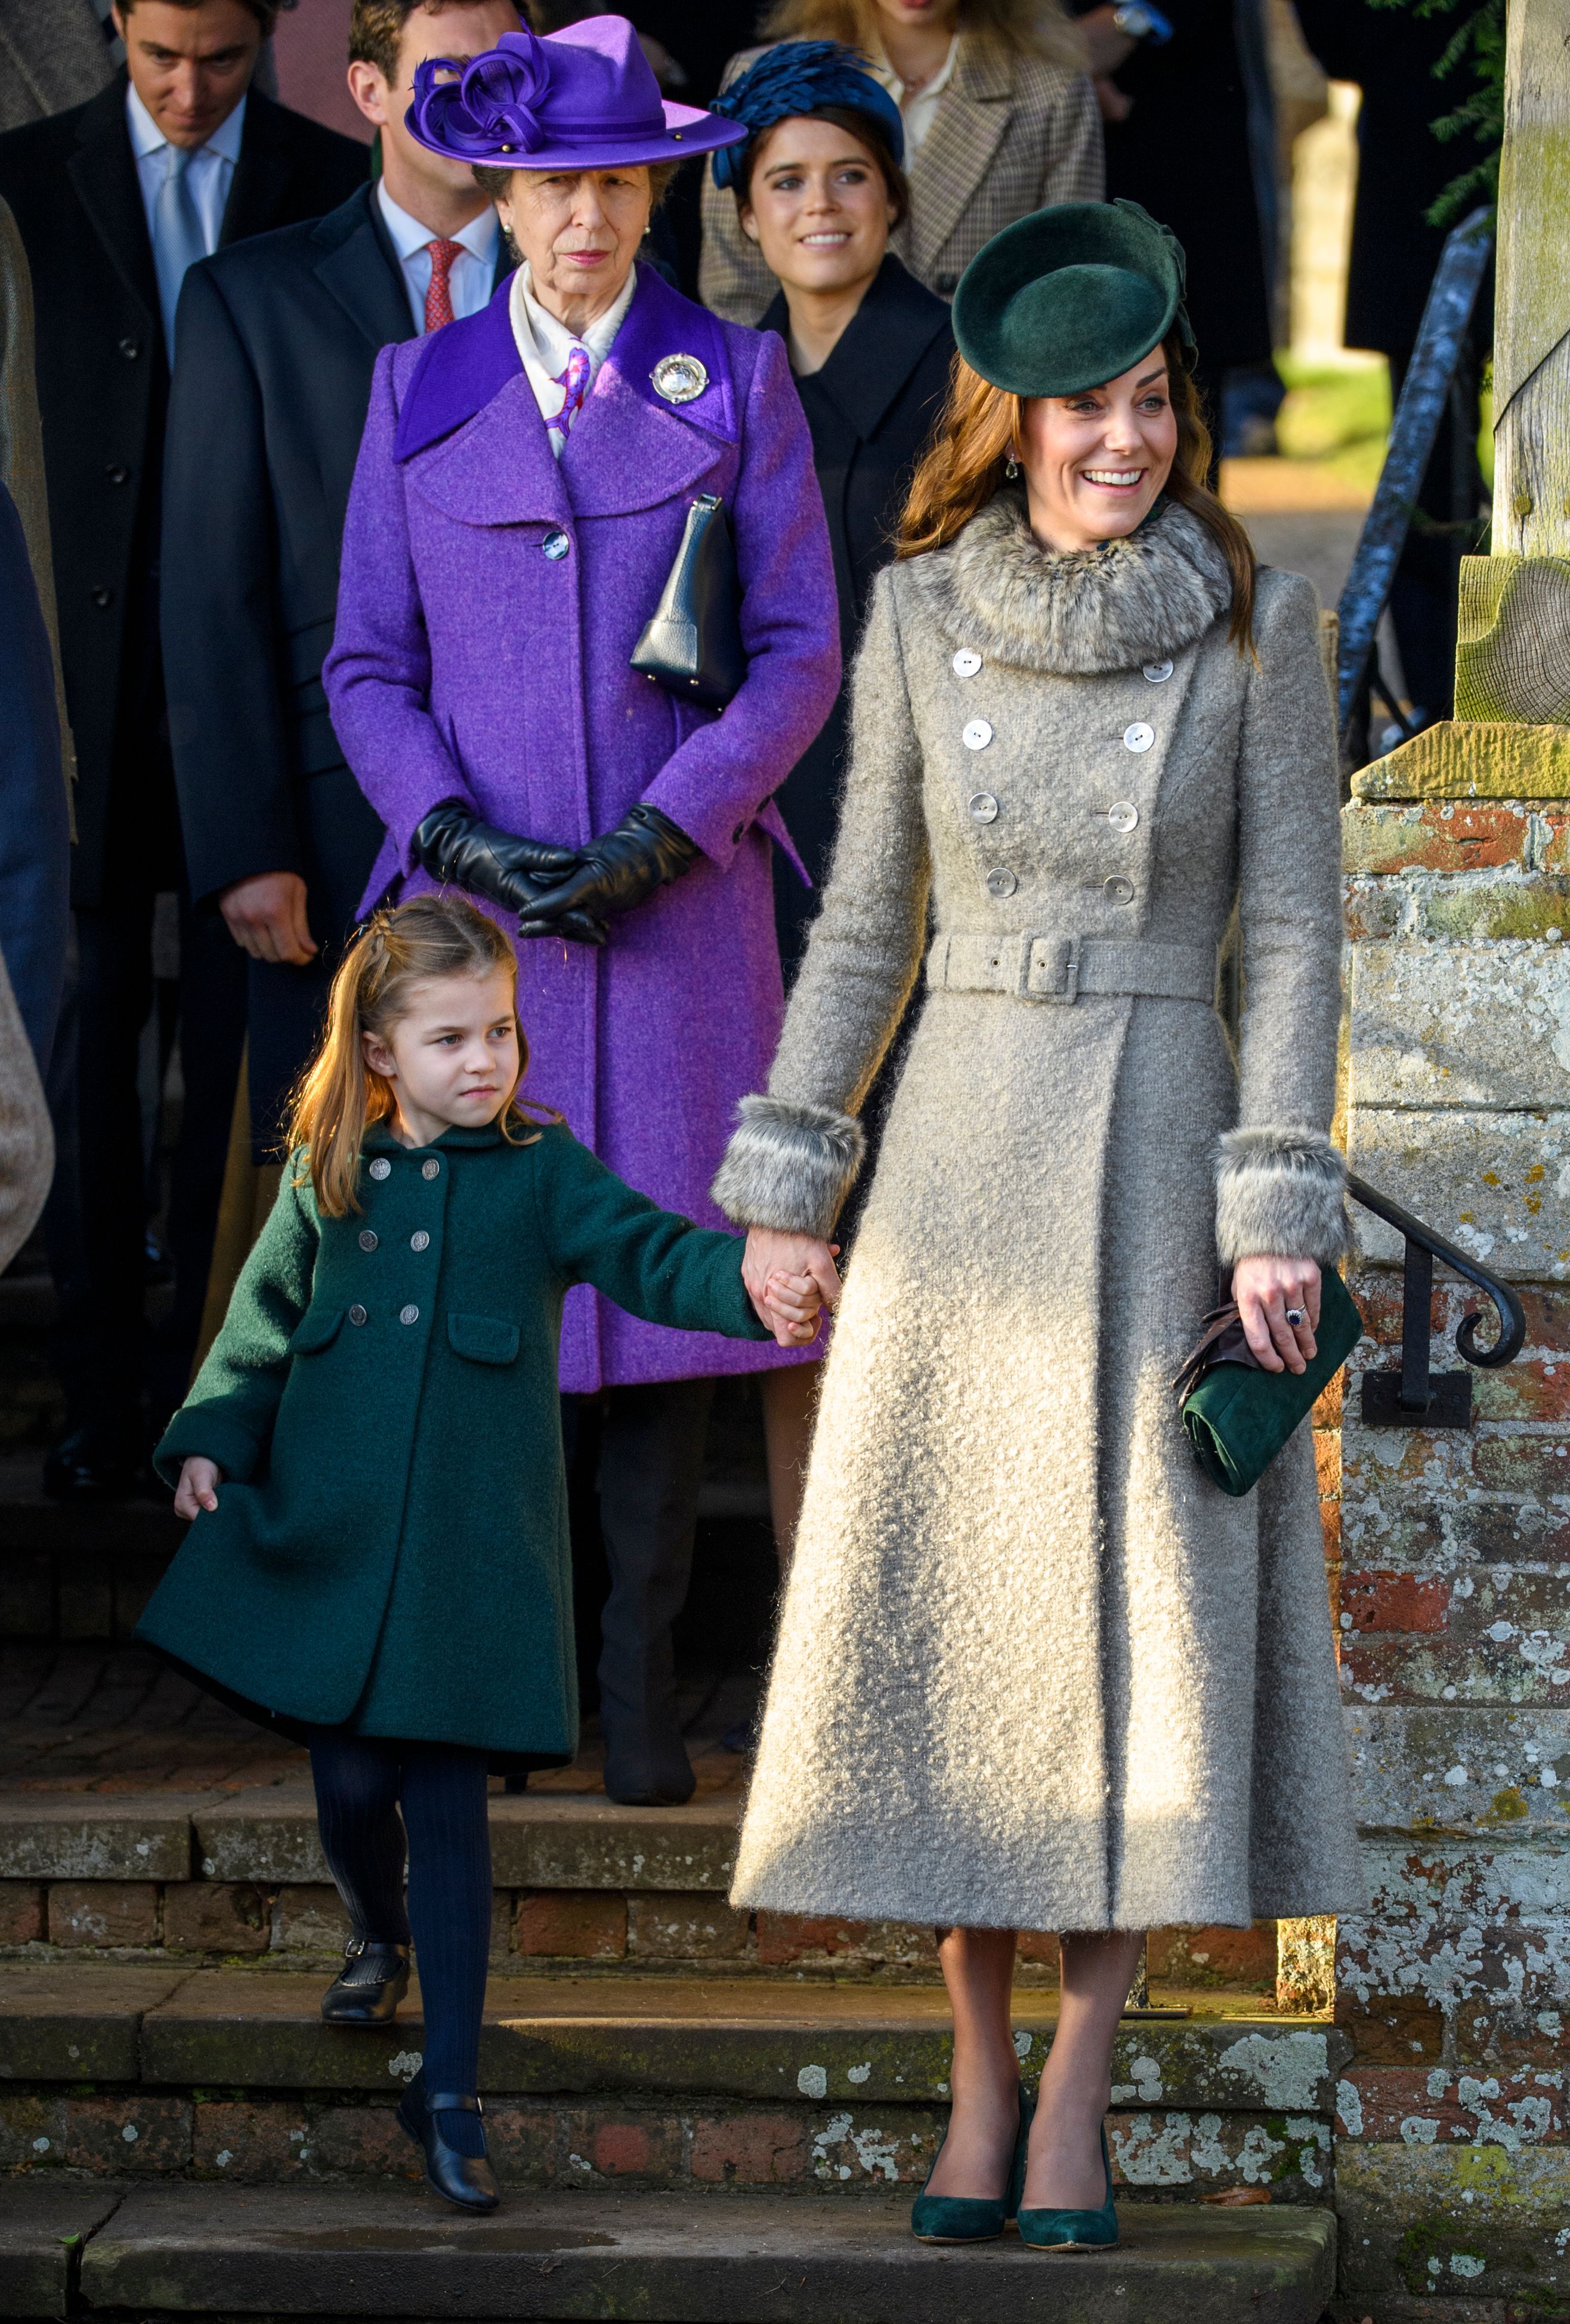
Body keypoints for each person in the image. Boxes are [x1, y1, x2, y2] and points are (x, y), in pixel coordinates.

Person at [711, 200, 1361, 2248]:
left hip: (1167, 1139)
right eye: (1087, 406)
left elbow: (1294, 944)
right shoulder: (915, 620)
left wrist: (1277, 1200)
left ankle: (1082, 2081)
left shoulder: (1265, 631)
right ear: (1013, 421)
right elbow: (863, 926)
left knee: (1137, 1630)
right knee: (947, 1630)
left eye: (1153, 401)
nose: (1126, 438)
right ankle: (976, 2073)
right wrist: (792, 1173)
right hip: (964, 1155)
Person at [323, 17, 841, 1807]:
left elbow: (795, 650)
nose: (586, 217)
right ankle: (512, 1671)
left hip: (680, 919)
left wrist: (669, 827)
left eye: (618, 180)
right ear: (507, 190)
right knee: (499, 1303)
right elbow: (366, 662)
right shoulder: (416, 385)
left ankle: (635, 1681)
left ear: (655, 189)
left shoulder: (738, 378)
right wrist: (451, 830)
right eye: (556, 183)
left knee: (662, 1302)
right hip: (480, 937)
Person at [141, 894, 822, 2214]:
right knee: (348, 1786)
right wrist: (210, 1434)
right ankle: (373, 1929)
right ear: (381, 1049)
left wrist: (751, 1284)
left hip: (470, 1558)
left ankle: (448, 2091)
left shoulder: (539, 1171)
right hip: (336, 1542)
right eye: (450, 1037)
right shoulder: (324, 1173)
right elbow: (260, 1321)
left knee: (449, 1810)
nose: (485, 1060)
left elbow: (650, 1254)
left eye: (499, 1031)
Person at [0, 0, 368, 1498]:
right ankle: (95, 1380)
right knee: (81, 1039)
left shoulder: (321, 171)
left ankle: (222, 1385)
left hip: (245, 699)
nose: (191, 90)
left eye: (221, 59)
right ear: (111, 30)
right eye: (160, 59)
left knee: (241, 1063)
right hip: (74, 683)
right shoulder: (25, 175)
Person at [162, 0, 520, 1179]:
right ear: (368, 92)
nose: (483, 101)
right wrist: (244, 841)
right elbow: (212, 591)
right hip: (327, 830)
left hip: (554, 814)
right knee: (335, 1186)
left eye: (504, 73)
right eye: (446, 76)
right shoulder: (246, 299)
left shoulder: (596, 276)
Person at [712, 39, 955, 977]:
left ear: (891, 199)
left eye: (850, 175)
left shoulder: (968, 375)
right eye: (787, 181)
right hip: (780, 798)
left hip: (933, 791)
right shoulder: (727, 391)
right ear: (745, 214)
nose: (820, 204)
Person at [699, 0, 1102, 326]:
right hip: (800, 391)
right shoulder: (764, 80)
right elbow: (733, 283)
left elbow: (1066, 277)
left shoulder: (1052, 90)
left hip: (980, 396)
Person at [1062, 0, 1276, 455]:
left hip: (1172, 133)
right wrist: (1063, 73)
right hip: (1039, 113)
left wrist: (1130, 19)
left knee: (1181, 397)